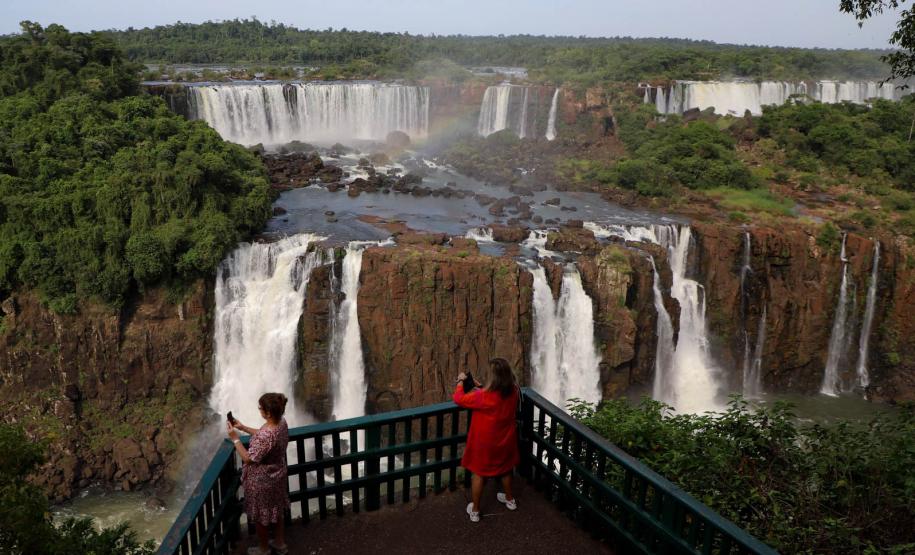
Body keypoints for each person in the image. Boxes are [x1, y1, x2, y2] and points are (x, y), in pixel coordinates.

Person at [453, 357, 520, 523]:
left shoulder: (484, 397)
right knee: (505, 468)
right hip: (505, 440)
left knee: (479, 474)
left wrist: (461, 382)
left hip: (485, 443)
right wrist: (480, 386)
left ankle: (475, 510)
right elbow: (497, 397)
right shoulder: (514, 391)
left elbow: (459, 399)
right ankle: (510, 500)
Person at [227, 393, 290, 555]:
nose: (259, 410)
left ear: (268, 413)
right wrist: (243, 428)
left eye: (260, 408)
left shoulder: (266, 435)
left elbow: (248, 458)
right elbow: (264, 436)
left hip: (262, 481)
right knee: (277, 509)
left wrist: (235, 439)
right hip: (277, 474)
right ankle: (279, 543)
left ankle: (263, 549)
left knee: (261, 517)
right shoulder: (281, 423)